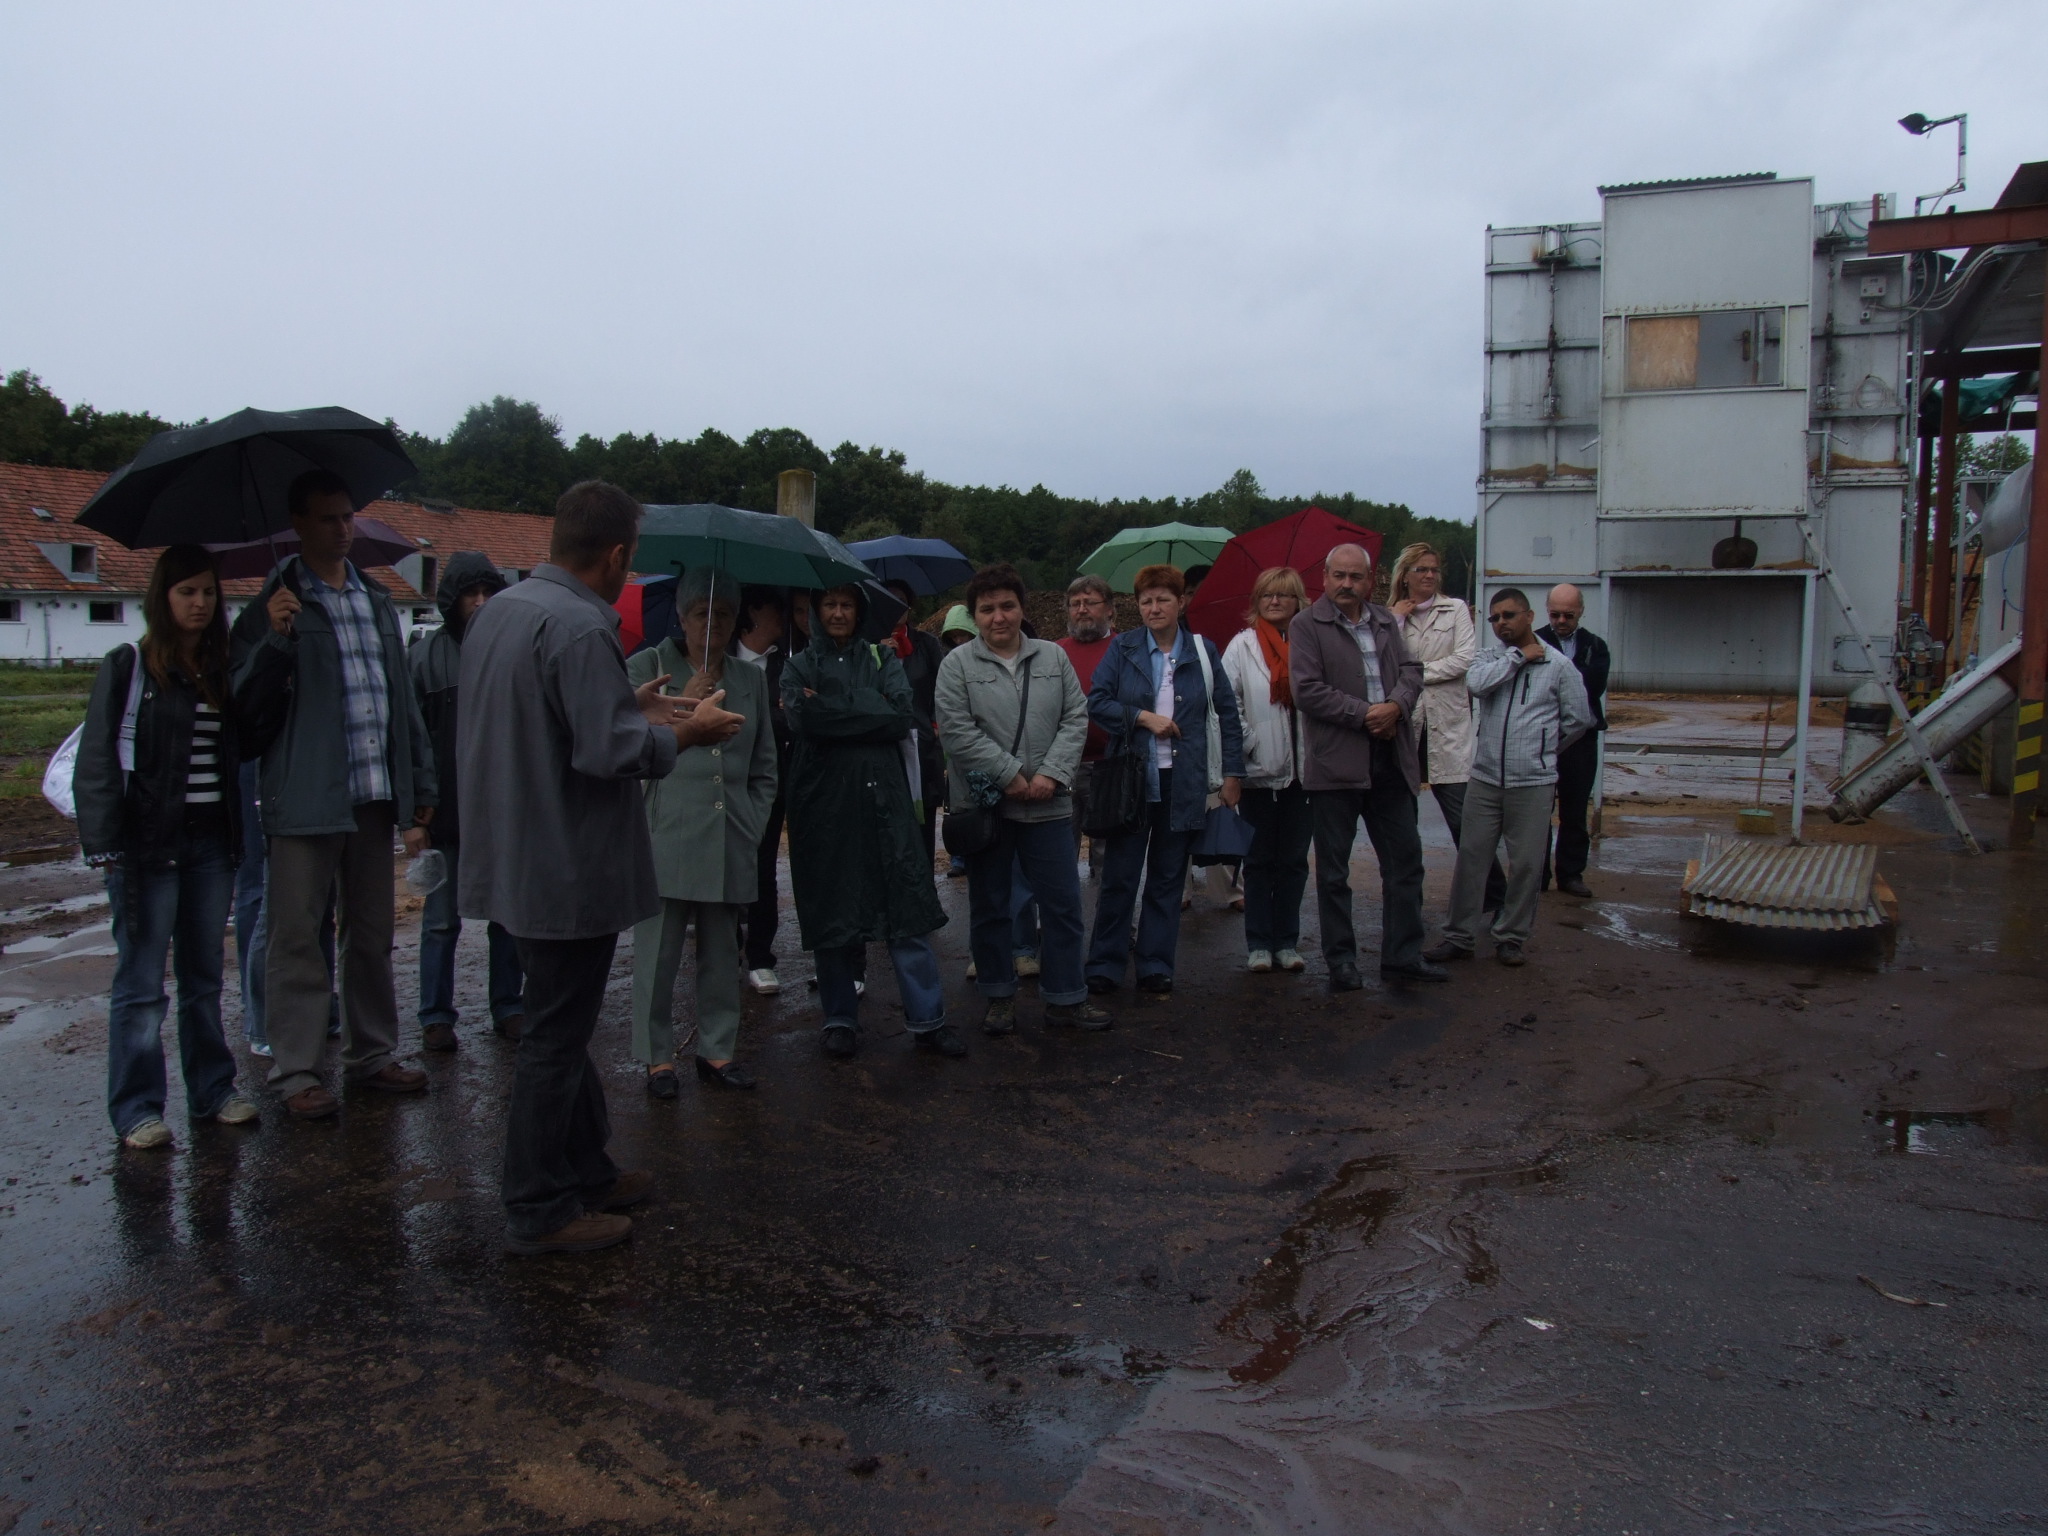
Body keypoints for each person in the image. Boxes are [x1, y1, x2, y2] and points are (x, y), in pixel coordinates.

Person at [458, 480, 742, 1255]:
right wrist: (689, 732)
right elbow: (607, 751)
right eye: (633, 558)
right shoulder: (581, 626)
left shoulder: (504, 610)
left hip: (515, 853)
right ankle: (538, 1205)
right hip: (564, 864)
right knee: (554, 1037)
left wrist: (627, 703)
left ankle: (585, 1168)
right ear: (616, 555)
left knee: (565, 1022)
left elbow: (551, 718)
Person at [230, 469, 438, 1120]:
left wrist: (419, 784)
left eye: (347, 516)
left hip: (372, 795)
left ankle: (371, 1054)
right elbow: (243, 709)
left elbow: (401, 702)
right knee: (297, 937)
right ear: (297, 524)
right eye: (328, 518)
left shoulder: (376, 600)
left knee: (371, 934)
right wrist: (275, 639)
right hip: (305, 798)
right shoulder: (274, 603)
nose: (343, 528)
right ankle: (296, 1070)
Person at [77, 545, 259, 1148]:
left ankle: (213, 1091)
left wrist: (277, 650)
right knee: (141, 986)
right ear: (163, 597)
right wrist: (106, 845)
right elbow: (97, 758)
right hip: (148, 847)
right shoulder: (130, 666)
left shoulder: (221, 670)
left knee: (204, 978)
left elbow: (251, 739)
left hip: (211, 844)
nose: (199, 603)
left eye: (208, 592)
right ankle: (137, 1109)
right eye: (187, 592)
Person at [936, 563, 1111, 1036]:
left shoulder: (1053, 657)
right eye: (987, 609)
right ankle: (998, 996)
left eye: (1007, 606)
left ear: (1022, 608)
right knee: (992, 907)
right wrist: (1010, 775)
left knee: (1063, 906)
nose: (998, 616)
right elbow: (956, 730)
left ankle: (1066, 997)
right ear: (974, 615)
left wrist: (1051, 774)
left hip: (1050, 805)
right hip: (989, 808)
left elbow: (1076, 717)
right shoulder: (956, 665)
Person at [784, 583, 957, 1059]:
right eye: (830, 605)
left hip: (885, 798)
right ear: (816, 612)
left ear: (859, 613)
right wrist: (866, 705)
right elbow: (802, 719)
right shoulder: (799, 665)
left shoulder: (884, 659)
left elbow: (900, 716)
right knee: (833, 908)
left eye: (847, 605)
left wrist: (829, 705)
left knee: (905, 906)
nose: (838, 613)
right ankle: (839, 1018)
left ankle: (928, 1019)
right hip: (823, 804)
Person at [627, 569, 779, 1095]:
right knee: (658, 953)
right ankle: (657, 1059)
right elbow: (624, 747)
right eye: (701, 614)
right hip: (665, 831)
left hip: (729, 832)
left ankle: (718, 1051)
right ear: (681, 616)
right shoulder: (647, 668)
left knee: (721, 954)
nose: (712, 625)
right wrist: (683, 706)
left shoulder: (750, 679)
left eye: (724, 616)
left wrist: (751, 823)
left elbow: (765, 767)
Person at [1084, 564, 1244, 996]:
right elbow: (1097, 702)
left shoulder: (1203, 650)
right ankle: (1105, 963)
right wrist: (1142, 717)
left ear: (1181, 602)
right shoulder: (1123, 648)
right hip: (1132, 781)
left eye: (1163, 599)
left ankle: (1155, 964)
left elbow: (1227, 714)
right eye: (1146, 601)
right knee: (1119, 877)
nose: (1154, 608)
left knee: (1168, 878)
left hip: (1184, 782)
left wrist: (1233, 774)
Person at [1290, 543, 1444, 991]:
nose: (1346, 584)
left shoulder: (1384, 620)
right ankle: (1341, 961)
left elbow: (1413, 671)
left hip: (1391, 760)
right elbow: (1307, 691)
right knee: (1334, 872)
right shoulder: (1306, 625)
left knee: (1405, 864)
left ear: (1370, 581)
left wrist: (1396, 706)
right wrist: (1365, 714)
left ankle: (1404, 956)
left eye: (1355, 576)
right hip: (1335, 765)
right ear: (1324, 577)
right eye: (1339, 575)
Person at [1424, 589, 1592, 968]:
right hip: (1484, 779)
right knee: (1471, 859)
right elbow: (1476, 685)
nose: (1502, 623)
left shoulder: (1559, 666)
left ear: (1530, 616)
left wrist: (1544, 750)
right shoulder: (1489, 658)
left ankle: (1511, 937)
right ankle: (1459, 936)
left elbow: (1579, 719)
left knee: (1527, 865)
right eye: (1495, 618)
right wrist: (1517, 658)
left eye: (1509, 615)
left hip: (1532, 783)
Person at [409, 551, 522, 1051]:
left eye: (487, 592)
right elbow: (410, 738)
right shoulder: (424, 659)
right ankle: (436, 1016)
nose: (479, 602)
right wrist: (413, 811)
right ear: (451, 600)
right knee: (440, 922)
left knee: (507, 916)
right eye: (470, 594)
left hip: (500, 807)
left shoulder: (510, 651)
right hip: (443, 810)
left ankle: (509, 1005)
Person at [1388, 542, 1504, 912]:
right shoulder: (1390, 616)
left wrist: (1414, 674)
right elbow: (1382, 662)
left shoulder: (1454, 610)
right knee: (1402, 824)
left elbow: (1463, 660)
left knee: (1464, 821)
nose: (1429, 575)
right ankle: (1408, 902)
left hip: (1447, 728)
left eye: (1434, 569)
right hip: (1406, 727)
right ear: (1405, 575)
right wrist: (1396, 620)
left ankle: (1494, 895)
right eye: (1421, 569)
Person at [1221, 566, 1313, 974]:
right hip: (1261, 771)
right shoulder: (1241, 647)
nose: (1275, 601)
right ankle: (1258, 943)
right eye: (1267, 595)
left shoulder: (1311, 644)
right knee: (1258, 861)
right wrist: (1250, 744)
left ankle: (1286, 942)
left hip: (1306, 773)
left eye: (1284, 595)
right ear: (1256, 602)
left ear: (1298, 601)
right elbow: (1228, 704)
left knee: (1293, 861)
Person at [733, 585, 798, 994]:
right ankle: (725, 951)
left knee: (762, 869)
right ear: (754, 612)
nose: (784, 618)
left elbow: (793, 721)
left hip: (770, 783)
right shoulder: (717, 661)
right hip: (724, 783)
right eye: (777, 609)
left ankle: (760, 956)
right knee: (724, 869)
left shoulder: (785, 667)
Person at [1537, 583, 1610, 898]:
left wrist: (1558, 683)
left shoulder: (1595, 646)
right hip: (1541, 737)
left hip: (1581, 738)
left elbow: (1591, 687)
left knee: (1575, 809)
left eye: (1568, 615)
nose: (1561, 621)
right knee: (1537, 809)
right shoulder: (1535, 641)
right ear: (1547, 611)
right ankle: (1536, 874)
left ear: (1580, 611)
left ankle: (1570, 874)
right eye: (1555, 614)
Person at [885, 578, 949, 861]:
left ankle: (925, 884)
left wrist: (935, 725)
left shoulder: (927, 644)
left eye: (901, 601)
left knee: (922, 823)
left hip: (921, 744)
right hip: (884, 746)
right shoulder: (866, 647)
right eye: (888, 601)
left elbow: (943, 688)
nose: (895, 607)